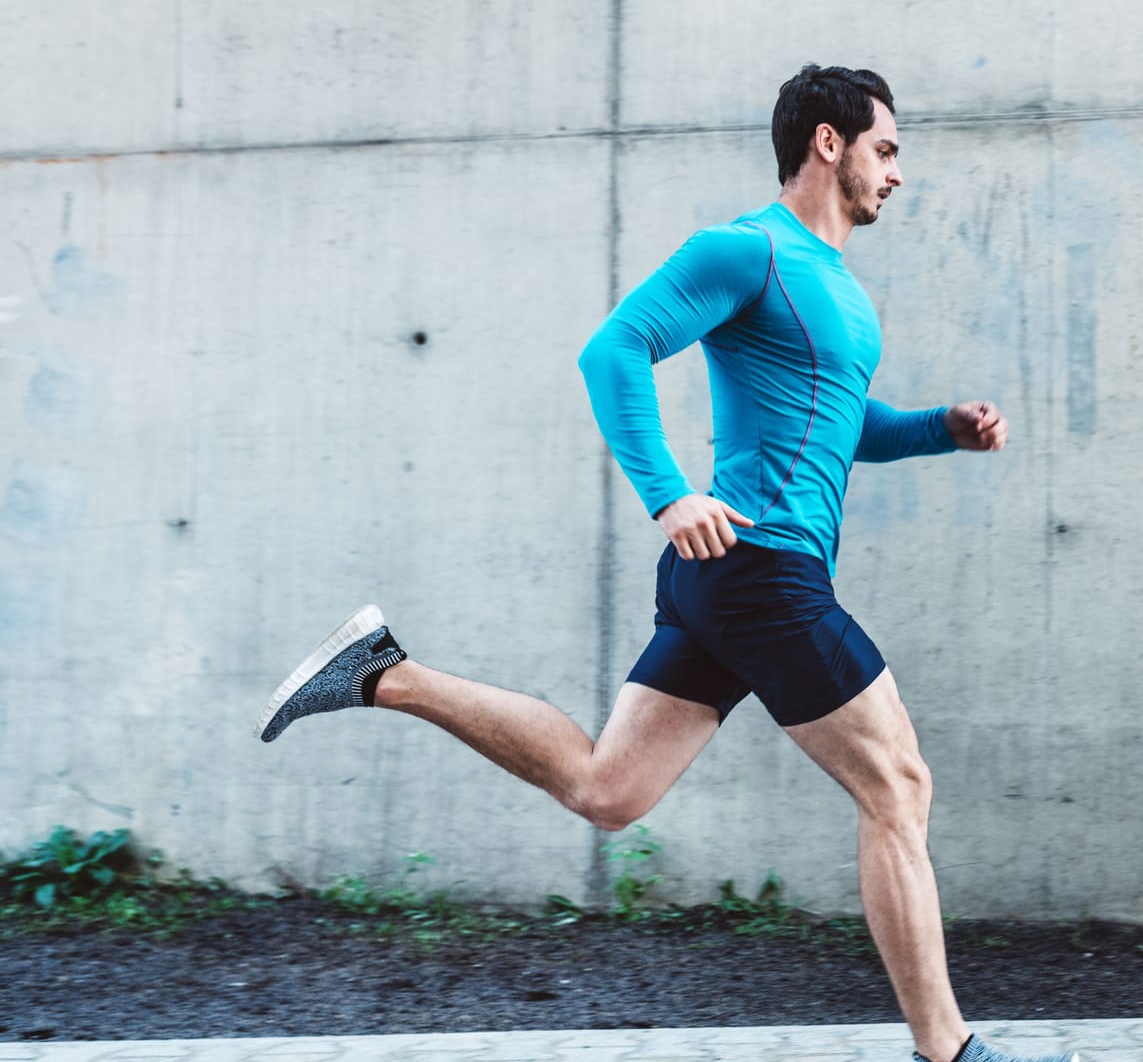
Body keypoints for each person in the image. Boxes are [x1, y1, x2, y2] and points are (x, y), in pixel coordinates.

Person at [256, 64, 1082, 1062]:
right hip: (760, 570)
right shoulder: (749, 251)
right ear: (829, 142)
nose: (897, 174)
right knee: (897, 786)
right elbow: (615, 350)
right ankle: (950, 1054)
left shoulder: (839, 292)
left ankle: (384, 672)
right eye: (887, 149)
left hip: (735, 579)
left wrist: (940, 429)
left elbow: (840, 426)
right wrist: (668, 493)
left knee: (608, 792)